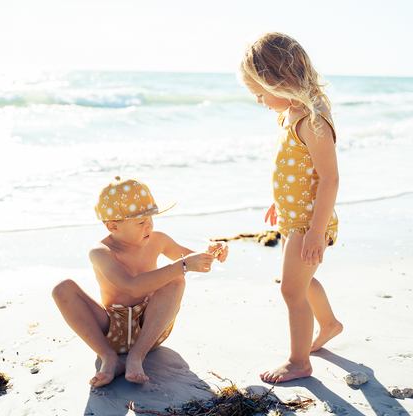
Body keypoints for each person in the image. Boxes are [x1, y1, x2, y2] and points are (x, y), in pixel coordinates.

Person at [52, 175, 228, 387]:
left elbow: (192, 259)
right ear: (112, 227)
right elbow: (131, 286)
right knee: (62, 288)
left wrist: (210, 252)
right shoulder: (101, 252)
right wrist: (183, 265)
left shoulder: (158, 240)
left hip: (151, 326)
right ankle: (108, 357)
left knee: (176, 281)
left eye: (151, 219)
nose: (149, 226)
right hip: (110, 328)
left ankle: (137, 356)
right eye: (141, 222)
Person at [238, 32, 343, 383]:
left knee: (290, 290)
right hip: (294, 217)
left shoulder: (311, 120)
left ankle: (299, 362)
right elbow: (298, 168)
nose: (259, 101)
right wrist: (279, 201)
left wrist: (315, 231)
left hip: (310, 223)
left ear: (279, 81)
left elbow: (329, 179)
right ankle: (329, 324)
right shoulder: (289, 114)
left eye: (260, 93)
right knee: (300, 281)